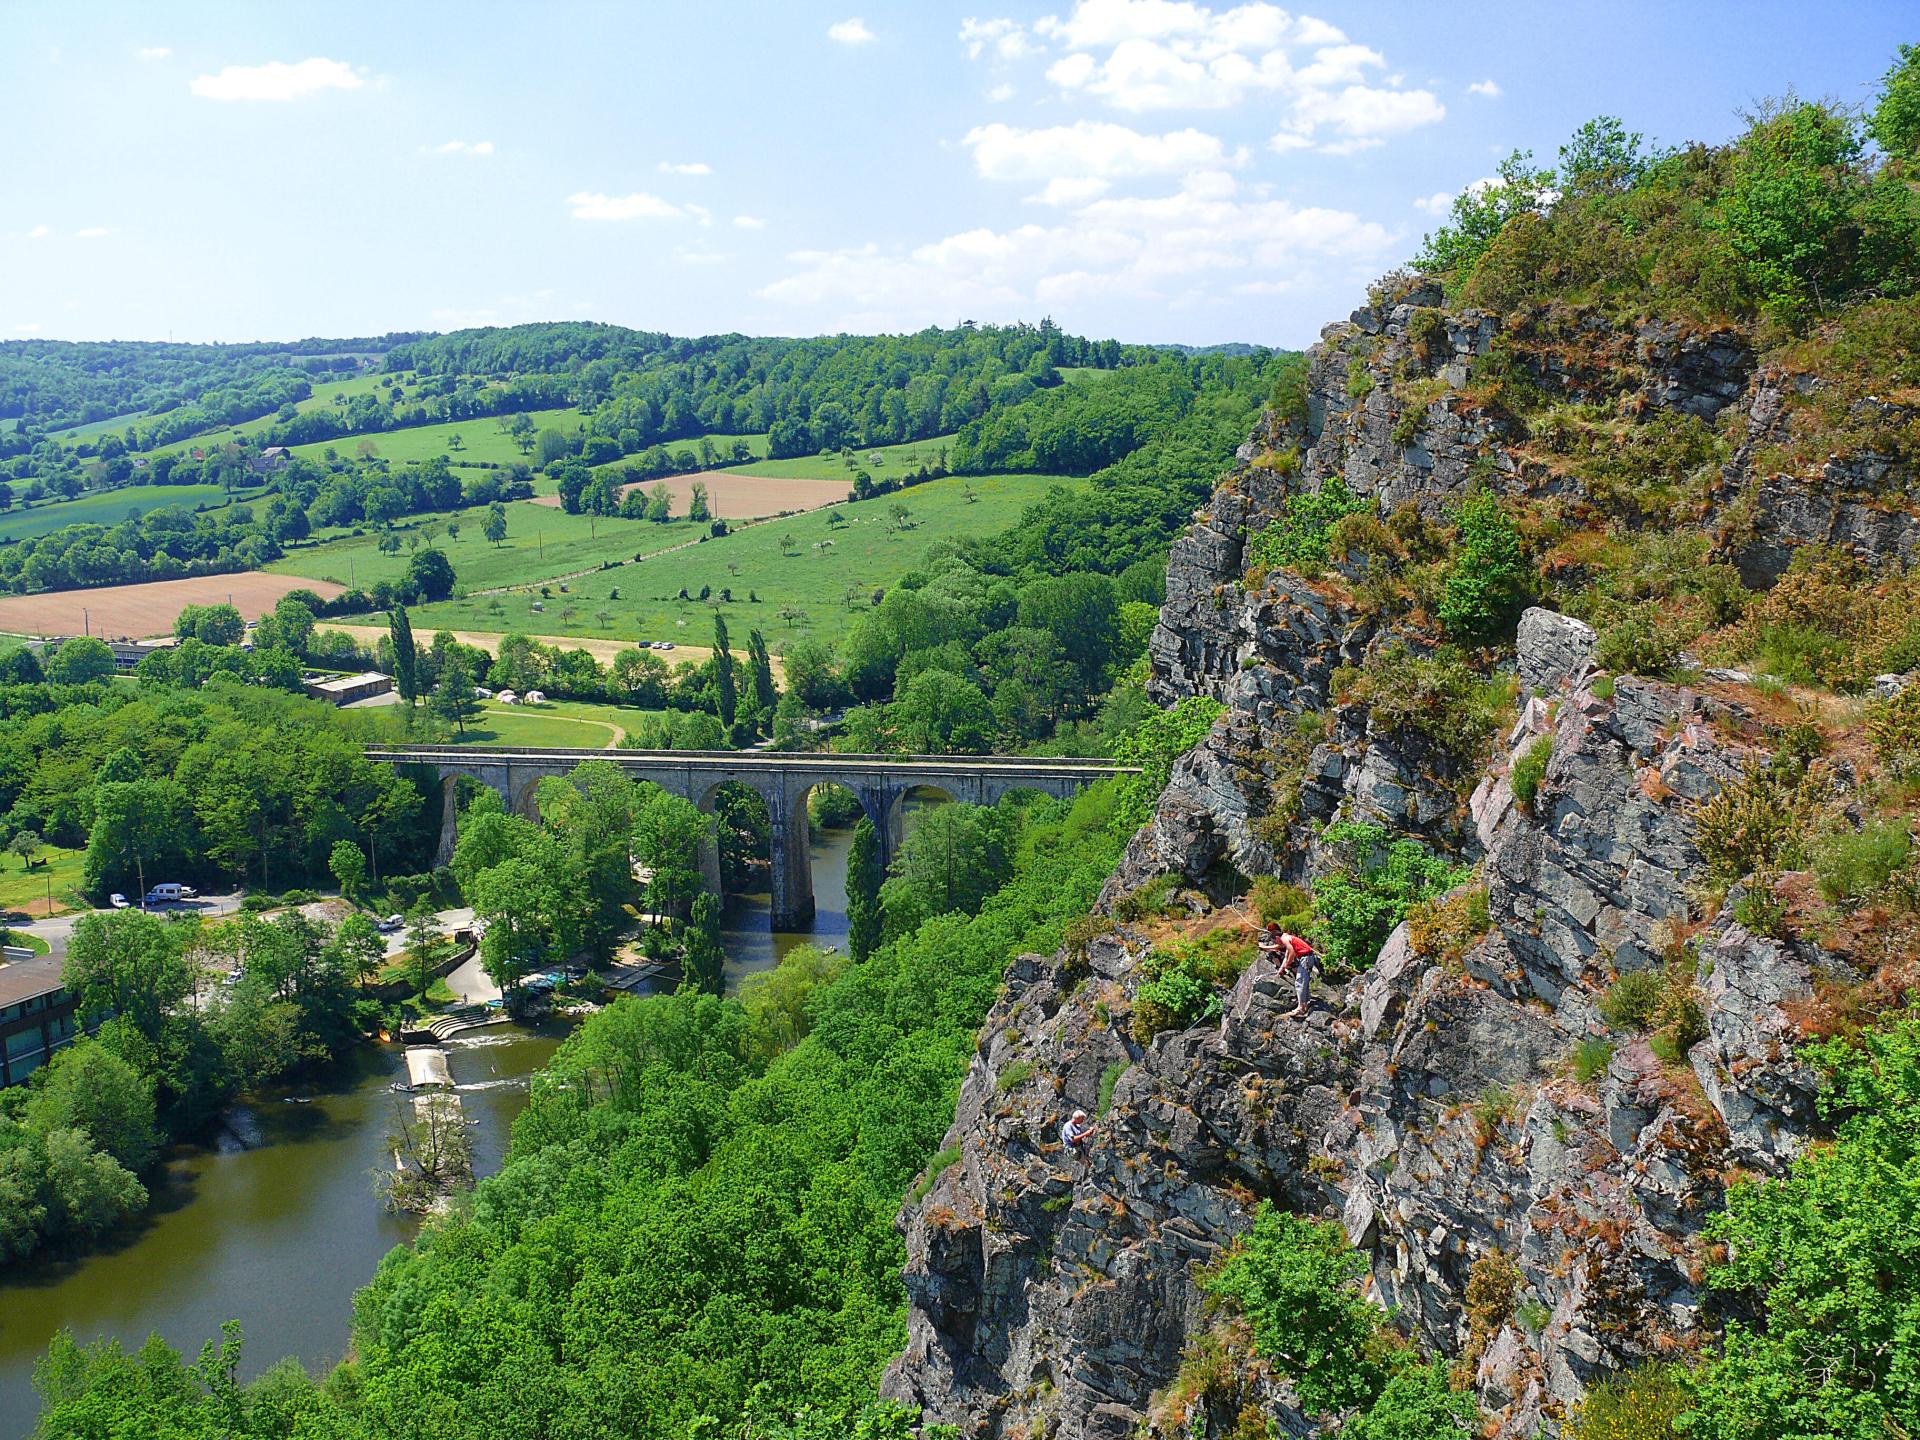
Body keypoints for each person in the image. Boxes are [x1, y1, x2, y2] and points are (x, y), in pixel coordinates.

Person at [1273, 929, 1316, 1020]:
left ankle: (1300, 1008)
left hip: (1306, 958)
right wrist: (1281, 969)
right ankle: (1306, 1003)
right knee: (1304, 981)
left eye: (1274, 941)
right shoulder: (1288, 938)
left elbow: (1292, 953)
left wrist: (1287, 965)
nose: (1276, 943)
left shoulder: (1284, 939)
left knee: (1299, 982)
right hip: (1308, 957)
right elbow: (1286, 956)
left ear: (1277, 937)